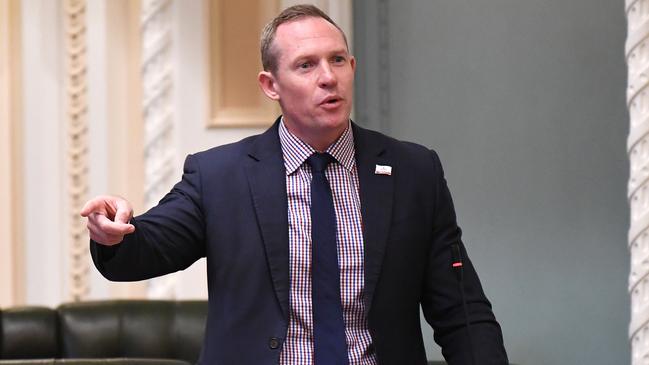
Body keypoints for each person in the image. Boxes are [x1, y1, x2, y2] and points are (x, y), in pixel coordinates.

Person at [81, 4, 508, 365]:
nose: (328, 77)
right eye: (306, 65)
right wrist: (115, 232)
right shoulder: (221, 176)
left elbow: (461, 310)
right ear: (271, 85)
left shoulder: (415, 171)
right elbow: (147, 249)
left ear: (352, 67)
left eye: (338, 60)